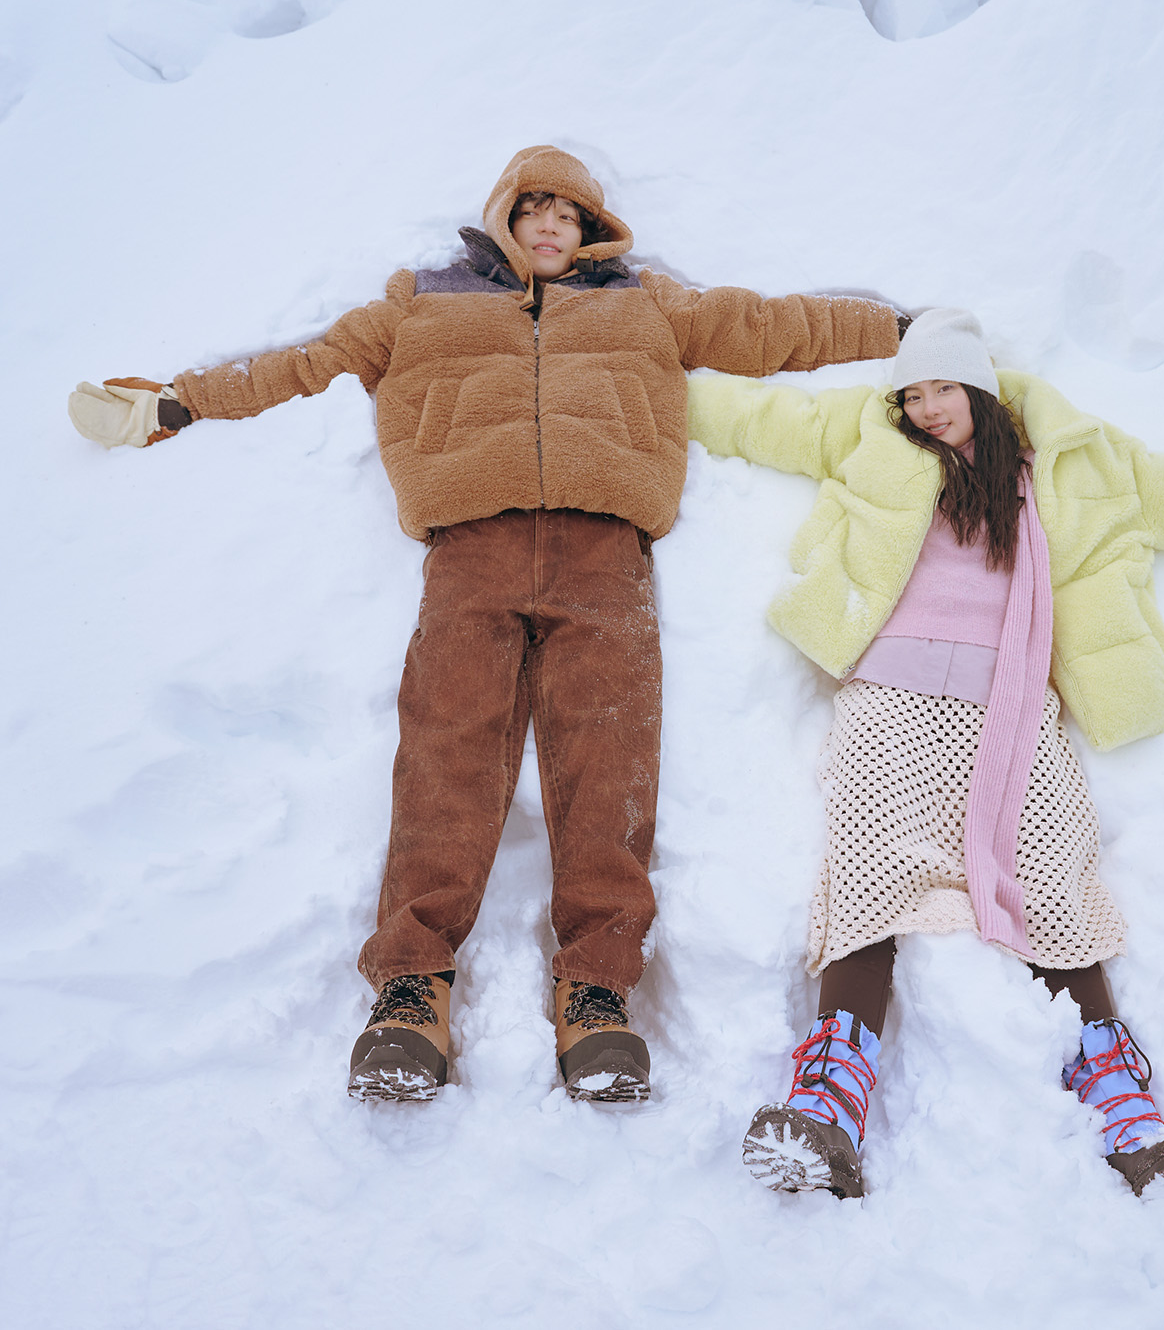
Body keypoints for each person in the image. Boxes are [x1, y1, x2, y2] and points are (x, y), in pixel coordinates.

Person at [66, 146, 903, 1104]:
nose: (550, 226)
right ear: (502, 216)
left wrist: (898, 329)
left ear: (593, 231)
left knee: (610, 761)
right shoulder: (423, 301)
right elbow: (309, 362)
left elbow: (767, 328)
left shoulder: (647, 303)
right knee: (447, 750)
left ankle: (596, 993)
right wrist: (179, 401)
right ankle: (409, 994)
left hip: (604, 552)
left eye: (568, 214)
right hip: (471, 547)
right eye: (533, 209)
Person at [686, 309, 1164, 1196]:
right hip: (889, 695)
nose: (926, 408)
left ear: (984, 387)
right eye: (912, 393)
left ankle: (1127, 1108)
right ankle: (826, 1106)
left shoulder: (1083, 466)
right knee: (872, 872)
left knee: (1053, 874)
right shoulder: (864, 433)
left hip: (1015, 708)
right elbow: (748, 419)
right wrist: (617, 379)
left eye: (943, 388)